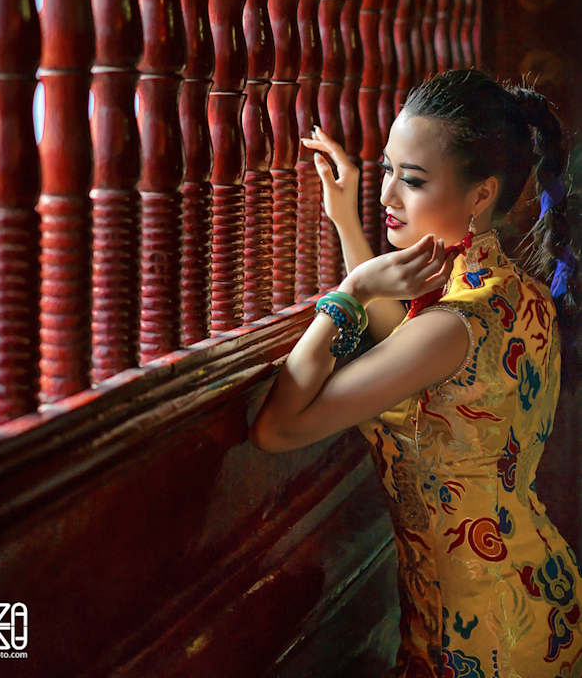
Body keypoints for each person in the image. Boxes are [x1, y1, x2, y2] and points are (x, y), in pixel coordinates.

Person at [249, 69, 582, 678]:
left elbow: (277, 427)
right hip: (534, 597)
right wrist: (349, 225)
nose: (387, 197)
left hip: (483, 641)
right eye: (386, 171)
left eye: (414, 179)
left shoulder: (452, 325)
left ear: (481, 195)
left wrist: (350, 291)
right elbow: (400, 348)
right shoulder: (516, 292)